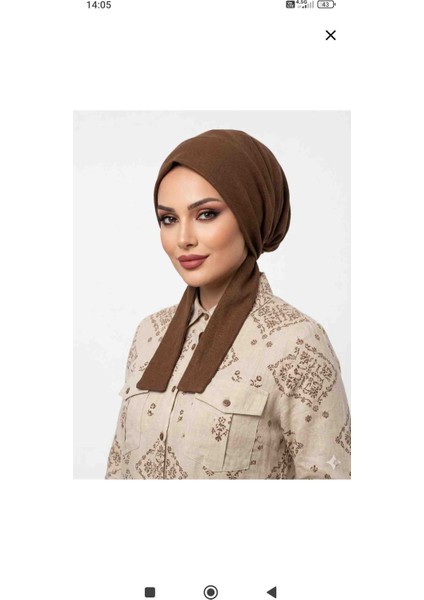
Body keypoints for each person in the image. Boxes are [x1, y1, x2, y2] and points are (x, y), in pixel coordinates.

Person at [105, 129, 351, 480]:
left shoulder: (296, 342)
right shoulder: (149, 334)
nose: (183, 239)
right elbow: (118, 469)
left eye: (206, 214)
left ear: (251, 214)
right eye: (168, 219)